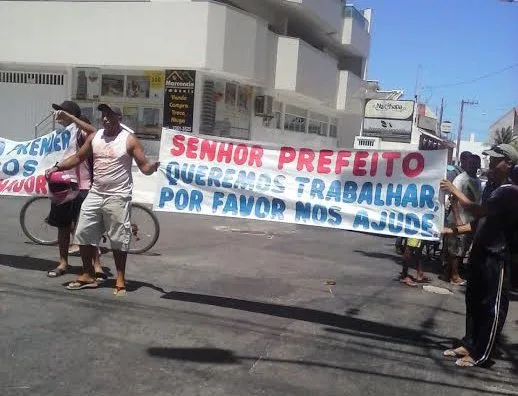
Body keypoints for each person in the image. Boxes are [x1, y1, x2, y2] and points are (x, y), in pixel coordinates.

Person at [45, 104, 159, 296]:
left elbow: (144, 167)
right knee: (82, 234)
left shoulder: (128, 140)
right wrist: (57, 167)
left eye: (109, 116)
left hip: (118, 196)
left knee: (118, 240)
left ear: (119, 118)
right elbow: (78, 157)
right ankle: (88, 273)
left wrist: (153, 167)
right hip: (95, 193)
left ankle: (120, 278)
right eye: (103, 116)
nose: (105, 119)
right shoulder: (96, 137)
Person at [441, 143, 518, 367]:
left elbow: (479, 211)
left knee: (492, 306)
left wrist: (454, 191)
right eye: (491, 160)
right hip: (480, 253)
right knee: (473, 300)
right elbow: (479, 222)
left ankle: (482, 354)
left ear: (509, 164)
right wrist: (451, 230)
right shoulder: (491, 187)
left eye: (496, 160)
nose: (491, 164)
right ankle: (470, 342)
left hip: (497, 256)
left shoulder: (510, 191)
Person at [46, 101, 101, 278]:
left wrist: (71, 119)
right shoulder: (58, 135)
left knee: (88, 229)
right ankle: (63, 262)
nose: (58, 115)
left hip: (83, 186)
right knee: (63, 228)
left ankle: (96, 265)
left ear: (70, 114)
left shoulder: (81, 132)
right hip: (62, 186)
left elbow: (94, 132)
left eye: (62, 112)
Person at [442, 154, 481, 285]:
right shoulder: (461, 178)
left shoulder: (477, 180)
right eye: (470, 163)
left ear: (478, 165)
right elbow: (453, 198)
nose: (472, 165)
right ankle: (454, 276)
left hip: (470, 221)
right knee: (455, 250)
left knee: (462, 249)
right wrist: (457, 218)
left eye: (475, 163)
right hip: (457, 219)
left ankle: (448, 273)